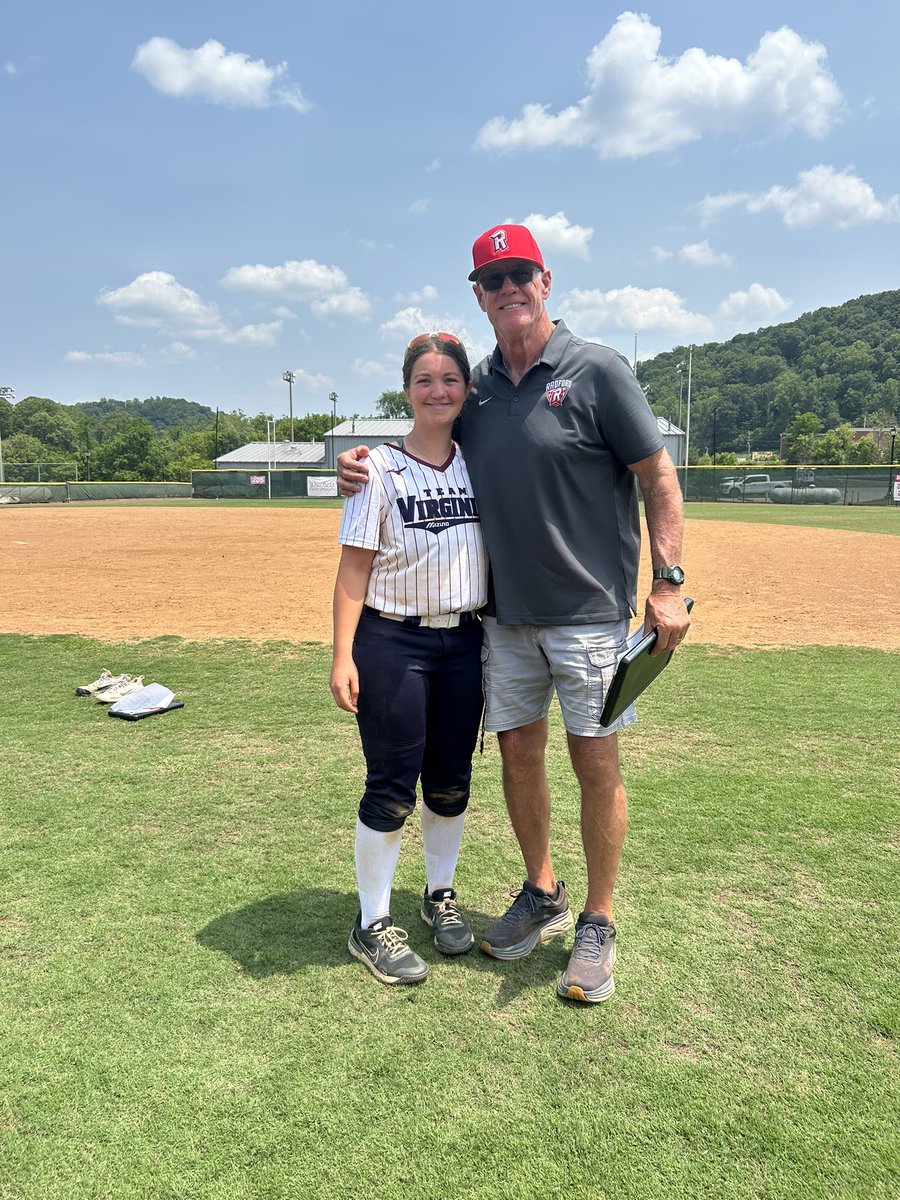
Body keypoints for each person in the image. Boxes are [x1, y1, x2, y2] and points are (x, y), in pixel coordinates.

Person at [337, 225, 690, 1004]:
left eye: (519, 273)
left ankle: (597, 918)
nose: (508, 288)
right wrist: (356, 464)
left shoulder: (599, 370)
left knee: (595, 760)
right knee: (519, 756)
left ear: (545, 280)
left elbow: (658, 479)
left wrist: (667, 579)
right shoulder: (480, 389)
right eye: (492, 278)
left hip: (592, 614)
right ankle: (542, 888)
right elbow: (425, 442)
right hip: (500, 620)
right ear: (479, 295)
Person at [330, 332, 487, 987]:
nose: (438, 390)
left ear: (466, 391)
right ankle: (371, 923)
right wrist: (343, 653)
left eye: (450, 379)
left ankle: (439, 894)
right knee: (392, 783)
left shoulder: (482, 463)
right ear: (406, 391)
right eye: (424, 380)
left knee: (450, 780)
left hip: (465, 642)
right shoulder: (377, 471)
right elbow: (351, 570)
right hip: (393, 639)